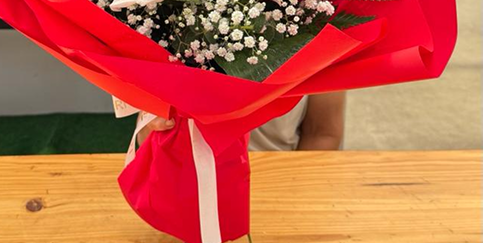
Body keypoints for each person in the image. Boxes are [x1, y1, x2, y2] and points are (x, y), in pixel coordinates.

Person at [136, 92, 346, 152]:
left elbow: (323, 134)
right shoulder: (171, 21)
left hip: (281, 177)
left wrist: (292, 186)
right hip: (186, 181)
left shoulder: (319, 27)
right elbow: (147, 133)